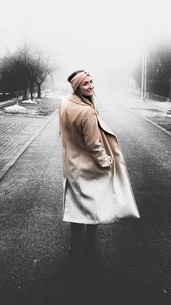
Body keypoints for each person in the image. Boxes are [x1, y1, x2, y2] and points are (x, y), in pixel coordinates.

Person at [58, 70, 140, 262]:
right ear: (77, 87)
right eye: (86, 83)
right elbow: (94, 144)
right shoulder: (86, 111)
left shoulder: (64, 103)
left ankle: (74, 247)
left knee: (76, 208)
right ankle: (88, 249)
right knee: (93, 208)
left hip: (71, 166)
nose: (91, 86)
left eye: (92, 81)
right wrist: (106, 162)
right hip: (89, 169)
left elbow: (62, 133)